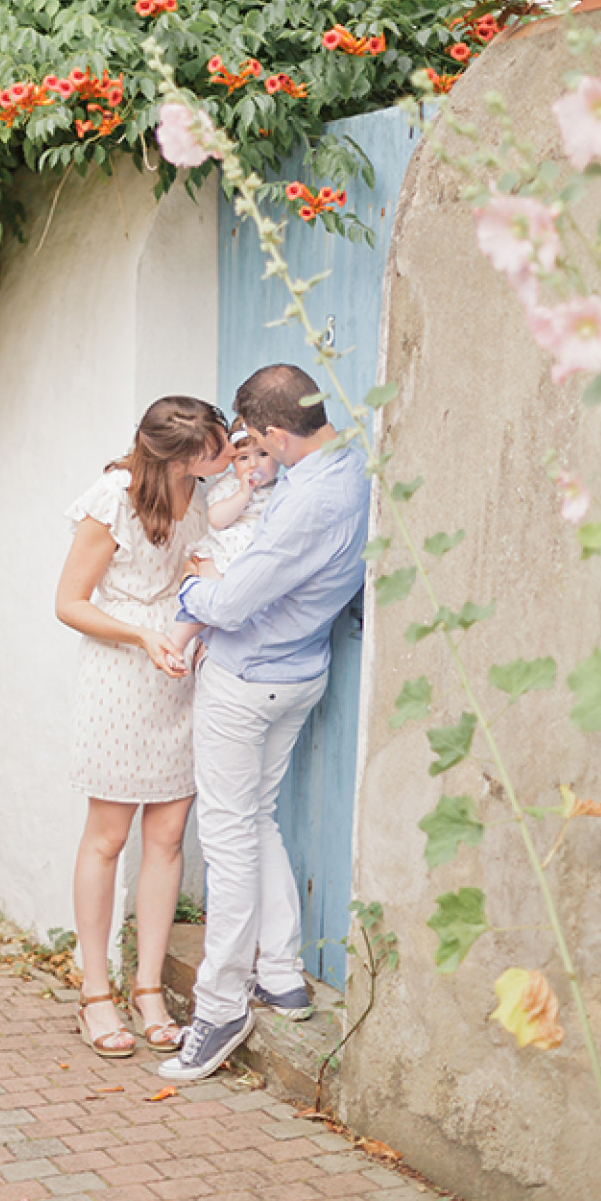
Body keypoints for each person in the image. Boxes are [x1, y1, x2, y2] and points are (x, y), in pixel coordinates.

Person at [157, 363, 371, 1082]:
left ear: (280, 431)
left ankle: (219, 1007)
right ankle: (280, 971)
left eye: (259, 438)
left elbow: (235, 600)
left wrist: (193, 588)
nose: (258, 449)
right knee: (257, 819)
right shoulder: (351, 469)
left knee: (227, 839)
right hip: (303, 673)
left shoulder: (310, 500)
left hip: (248, 681)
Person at [55, 395, 232, 1058]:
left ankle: (148, 987)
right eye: (211, 447)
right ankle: (95, 991)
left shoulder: (204, 491)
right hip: (121, 678)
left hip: (178, 679)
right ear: (177, 455)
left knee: (166, 836)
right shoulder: (114, 497)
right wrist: (141, 635)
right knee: (108, 837)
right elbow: (68, 602)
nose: (221, 455)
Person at [168, 430, 281, 662]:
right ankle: (176, 644)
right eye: (243, 458)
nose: (253, 464)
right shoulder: (229, 486)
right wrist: (243, 493)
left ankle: (211, 649)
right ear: (232, 462)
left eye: (263, 454)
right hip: (223, 554)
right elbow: (217, 520)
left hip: (252, 559)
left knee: (243, 610)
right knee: (207, 599)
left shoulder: (282, 490)